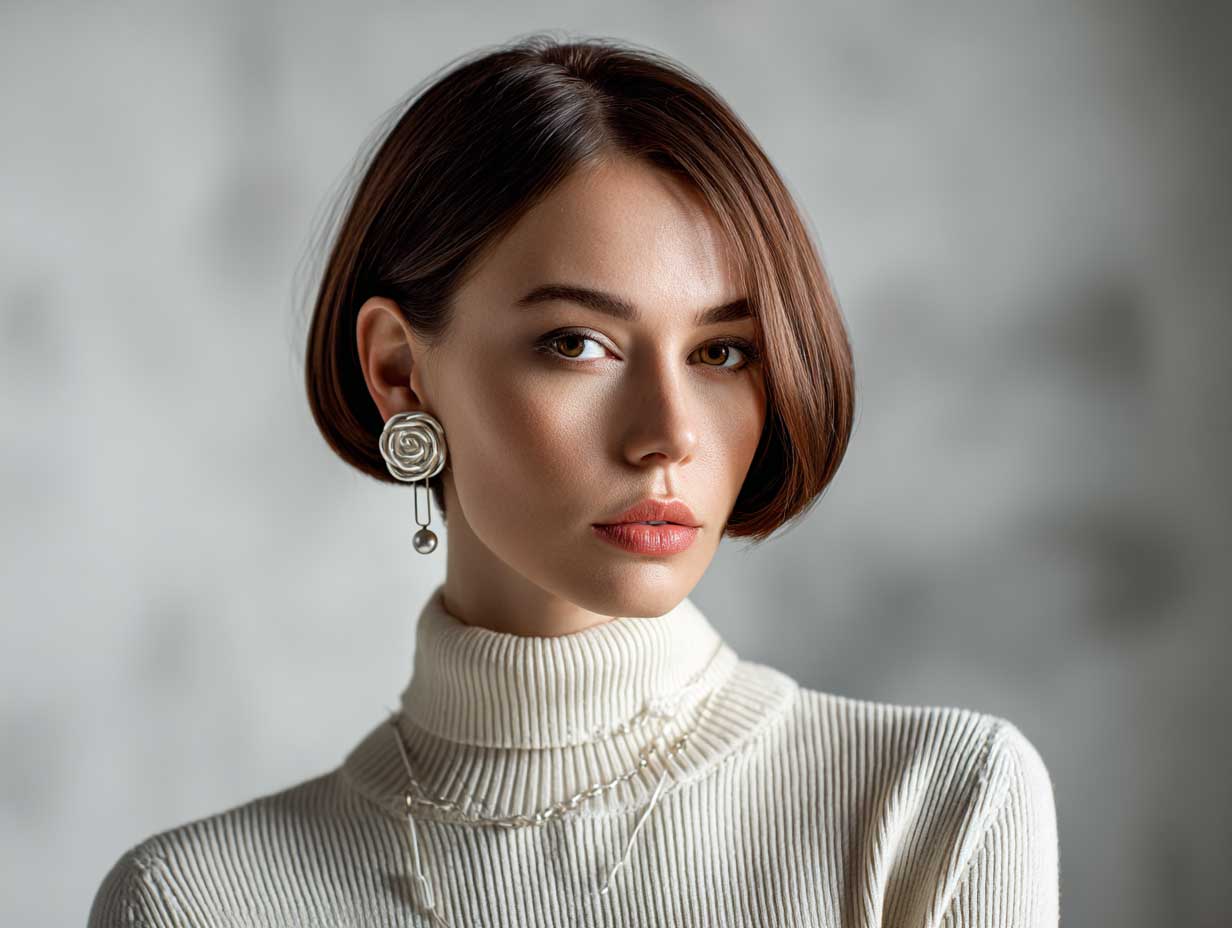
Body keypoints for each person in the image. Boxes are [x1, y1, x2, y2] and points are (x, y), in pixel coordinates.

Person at [88, 33, 1058, 928]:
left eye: (721, 353)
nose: (667, 435)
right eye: (577, 343)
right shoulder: (192, 901)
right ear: (397, 369)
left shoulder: (933, 810)